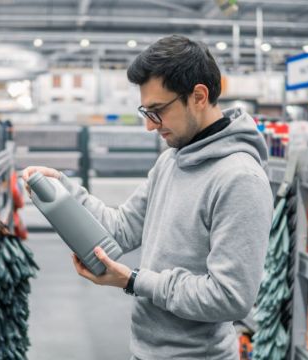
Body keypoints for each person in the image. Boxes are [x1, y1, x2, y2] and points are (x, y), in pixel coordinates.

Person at [22, 35, 273, 360]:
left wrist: (135, 281)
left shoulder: (240, 179)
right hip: (146, 351)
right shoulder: (171, 160)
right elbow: (122, 228)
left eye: (157, 111)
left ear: (198, 96)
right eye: (145, 110)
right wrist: (65, 191)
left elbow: (230, 297)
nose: (148, 126)